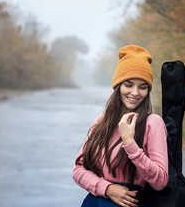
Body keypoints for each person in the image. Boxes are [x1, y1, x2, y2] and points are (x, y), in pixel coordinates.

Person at [72, 45, 169, 207]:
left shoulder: (153, 122)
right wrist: (107, 188)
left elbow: (160, 181)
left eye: (143, 87)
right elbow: (78, 170)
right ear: (118, 86)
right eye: (129, 84)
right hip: (93, 202)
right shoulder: (103, 120)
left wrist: (130, 143)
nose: (135, 92)